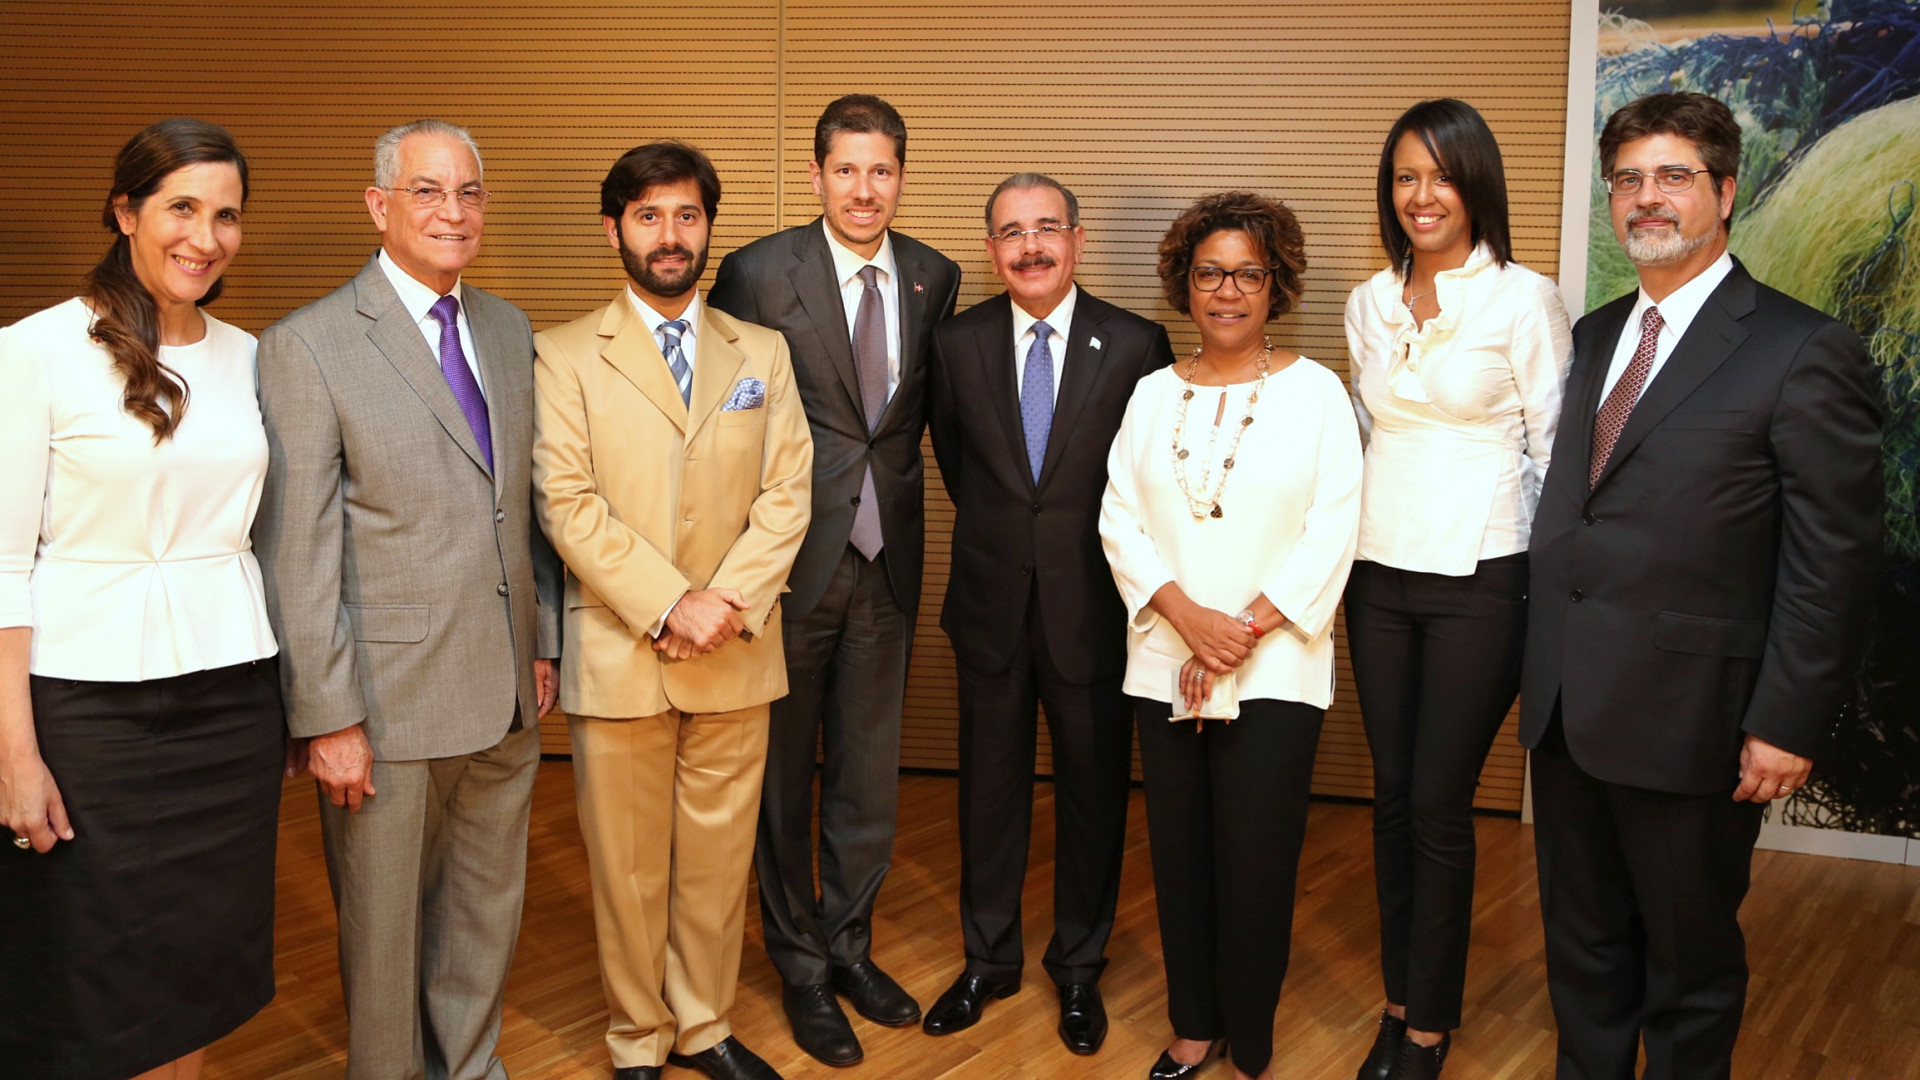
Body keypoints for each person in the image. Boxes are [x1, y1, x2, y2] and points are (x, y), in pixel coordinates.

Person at [1521, 91, 1881, 1080]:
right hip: (1568, 708)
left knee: (1687, 968)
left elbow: (1834, 560)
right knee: (1583, 955)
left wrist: (1787, 721)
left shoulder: (1801, 349)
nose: (1647, 197)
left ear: (1725, 192)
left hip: (1696, 721)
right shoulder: (1595, 335)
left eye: (1673, 176)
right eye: (1628, 179)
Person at [252, 118, 562, 1080]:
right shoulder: (307, 345)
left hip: (505, 688)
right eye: (427, 190)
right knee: (383, 935)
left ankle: (468, 1066)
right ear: (378, 205)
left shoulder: (508, 329)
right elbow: (296, 550)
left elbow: (524, 505)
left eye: (468, 192)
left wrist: (542, 639)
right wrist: (326, 716)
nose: (452, 211)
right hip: (384, 704)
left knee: (482, 911)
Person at [0, 119, 284, 1080]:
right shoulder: (35, 350)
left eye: (226, 215)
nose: (205, 237)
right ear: (125, 213)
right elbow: (2, 566)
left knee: (197, 960)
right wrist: (14, 755)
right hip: (87, 710)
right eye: (181, 208)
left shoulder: (251, 356)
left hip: (232, 701)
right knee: (92, 969)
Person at [533, 140, 813, 1080]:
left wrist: (723, 603)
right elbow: (567, 503)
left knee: (718, 863)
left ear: (707, 228)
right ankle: (636, 1038)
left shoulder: (761, 352)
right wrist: (669, 604)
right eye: (648, 215)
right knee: (627, 868)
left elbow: (789, 493)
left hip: (736, 646)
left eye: (686, 215)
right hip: (622, 651)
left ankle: (704, 1025)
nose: (669, 234)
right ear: (613, 229)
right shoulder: (563, 353)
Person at [708, 93, 961, 1066]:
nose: (864, 189)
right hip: (784, 566)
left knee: (867, 773)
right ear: (816, 175)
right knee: (781, 776)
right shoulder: (758, 272)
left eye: (881, 170)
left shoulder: (935, 275)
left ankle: (850, 946)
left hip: (887, 561)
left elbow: (925, 420)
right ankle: (801, 966)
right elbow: (721, 426)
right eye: (846, 169)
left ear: (901, 177)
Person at [1100, 192, 1363, 1080]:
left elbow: (1334, 528)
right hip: (1166, 660)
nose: (1227, 291)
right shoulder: (1150, 394)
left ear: (1275, 284)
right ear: (1185, 282)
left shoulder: (1317, 393)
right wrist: (1187, 619)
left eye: (1248, 274)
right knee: (1179, 855)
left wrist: (1242, 628)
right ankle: (1192, 1025)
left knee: (1256, 860)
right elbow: (1119, 518)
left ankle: (1250, 1037)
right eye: (1210, 273)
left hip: (1277, 664)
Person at [1341, 99, 1571, 1080]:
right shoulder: (1368, 303)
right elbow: (1367, 436)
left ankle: (1430, 1023)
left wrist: (1552, 595)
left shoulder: (1524, 298)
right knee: (1393, 799)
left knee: (1439, 801)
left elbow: (1556, 454)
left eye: (1440, 175)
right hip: (1377, 576)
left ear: (1476, 184)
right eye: (1405, 177)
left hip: (1484, 576)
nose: (1421, 195)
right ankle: (1398, 1001)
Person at [921, 173, 1173, 1053]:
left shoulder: (1136, 343)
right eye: (1011, 232)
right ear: (992, 249)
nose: (1030, 246)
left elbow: (1148, 478)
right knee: (987, 795)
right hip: (989, 605)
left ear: (1077, 239)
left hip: (1093, 609)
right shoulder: (954, 343)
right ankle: (988, 961)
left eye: (1046, 228)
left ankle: (1078, 969)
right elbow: (959, 462)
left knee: (1093, 798)